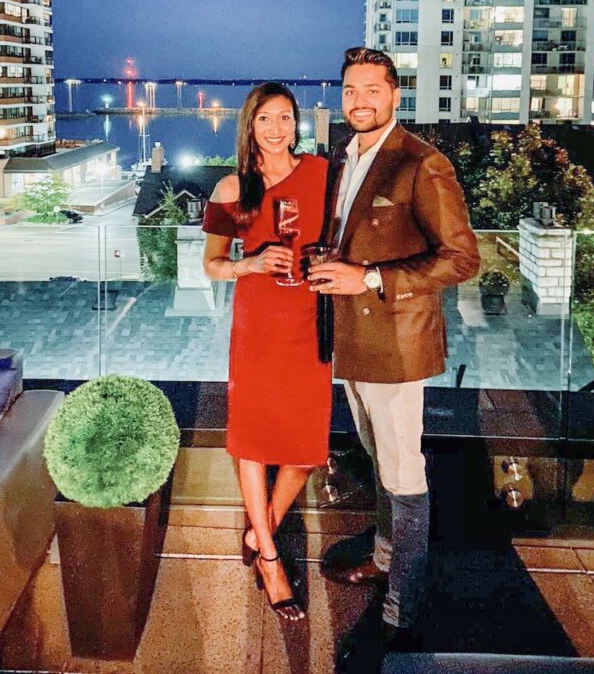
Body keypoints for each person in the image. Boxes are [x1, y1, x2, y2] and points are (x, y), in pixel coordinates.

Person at [307, 47, 480, 671]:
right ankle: (383, 557)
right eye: (350, 90)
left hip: (398, 345)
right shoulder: (346, 157)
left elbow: (462, 258)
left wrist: (371, 277)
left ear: (394, 95)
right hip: (352, 342)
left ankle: (403, 610)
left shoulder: (422, 163)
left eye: (372, 90)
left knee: (405, 476)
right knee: (381, 461)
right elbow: (352, 238)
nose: (359, 101)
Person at [202, 81, 331, 622]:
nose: (276, 129)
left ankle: (261, 529)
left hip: (310, 321)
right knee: (254, 440)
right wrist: (249, 264)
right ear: (249, 126)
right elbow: (211, 263)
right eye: (265, 119)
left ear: (296, 123)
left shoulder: (322, 174)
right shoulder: (231, 187)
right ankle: (271, 562)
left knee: (305, 450)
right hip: (257, 326)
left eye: (284, 118)